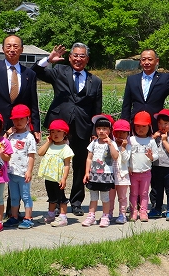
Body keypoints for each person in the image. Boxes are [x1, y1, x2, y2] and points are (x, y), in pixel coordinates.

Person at [33, 43, 102, 216]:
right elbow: (37, 72)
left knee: (79, 164)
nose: (78, 59)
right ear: (70, 57)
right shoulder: (59, 71)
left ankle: (77, 201)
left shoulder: (96, 81)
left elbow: (97, 109)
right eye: (75, 56)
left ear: (87, 59)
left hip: (82, 127)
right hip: (59, 126)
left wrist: (94, 131)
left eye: (82, 56)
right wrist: (49, 60)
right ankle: (57, 200)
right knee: (57, 164)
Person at [121, 49, 169, 130]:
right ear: (140, 61)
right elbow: (126, 106)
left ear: (157, 61)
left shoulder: (164, 79)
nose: (146, 62)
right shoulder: (132, 79)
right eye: (143, 59)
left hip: (156, 125)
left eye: (150, 59)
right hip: (136, 125)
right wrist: (124, 126)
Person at [82, 114, 118, 228]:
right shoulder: (93, 143)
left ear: (109, 130)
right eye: (98, 128)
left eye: (104, 129)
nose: (101, 131)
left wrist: (110, 144)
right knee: (93, 197)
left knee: (105, 198)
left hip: (105, 175)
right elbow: (89, 158)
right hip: (94, 175)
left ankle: (105, 216)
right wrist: (87, 173)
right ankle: (91, 216)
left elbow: (115, 156)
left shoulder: (112, 143)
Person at [37, 119, 74, 227]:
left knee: (61, 198)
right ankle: (51, 215)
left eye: (58, 131)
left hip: (58, 178)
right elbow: (40, 153)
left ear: (64, 133)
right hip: (49, 177)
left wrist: (64, 178)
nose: (55, 134)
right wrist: (48, 141)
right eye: (52, 132)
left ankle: (63, 217)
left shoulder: (65, 148)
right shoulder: (50, 145)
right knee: (51, 197)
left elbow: (67, 165)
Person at [5, 105, 37, 229]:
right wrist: (7, 133)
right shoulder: (11, 135)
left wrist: (29, 171)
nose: (18, 122)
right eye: (15, 119)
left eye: (21, 119)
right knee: (14, 196)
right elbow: (1, 145)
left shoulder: (29, 137)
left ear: (27, 119)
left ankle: (28, 218)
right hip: (12, 172)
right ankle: (14, 217)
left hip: (23, 173)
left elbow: (31, 155)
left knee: (25, 196)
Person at [148, 109, 169, 220]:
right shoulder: (155, 136)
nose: (162, 126)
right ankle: (157, 209)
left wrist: (165, 141)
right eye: (160, 123)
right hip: (156, 167)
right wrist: (153, 138)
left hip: (168, 168)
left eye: (165, 123)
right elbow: (146, 146)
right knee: (158, 190)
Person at [128, 111, 157, 222]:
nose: (140, 128)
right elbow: (128, 155)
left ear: (149, 127)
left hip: (146, 172)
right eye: (138, 126)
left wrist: (151, 157)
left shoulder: (151, 141)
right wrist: (128, 166)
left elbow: (156, 155)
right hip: (133, 172)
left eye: (144, 126)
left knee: (144, 193)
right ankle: (133, 212)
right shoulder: (131, 140)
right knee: (133, 193)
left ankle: (143, 212)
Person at [111, 119, 131, 225]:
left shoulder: (128, 146)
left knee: (122, 197)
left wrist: (123, 148)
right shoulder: (112, 144)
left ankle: (122, 215)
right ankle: (108, 213)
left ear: (128, 134)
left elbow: (125, 159)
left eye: (123, 132)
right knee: (110, 197)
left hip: (123, 176)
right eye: (118, 132)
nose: (120, 134)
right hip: (111, 176)